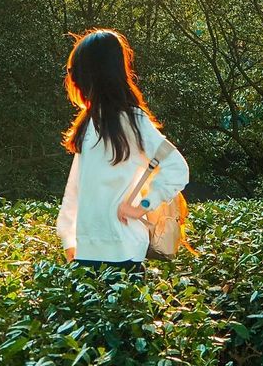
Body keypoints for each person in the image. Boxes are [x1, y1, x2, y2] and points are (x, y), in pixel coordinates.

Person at [55, 29, 190, 274]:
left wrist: (142, 206)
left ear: (94, 74)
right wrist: (69, 239)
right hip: (87, 254)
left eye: (76, 70)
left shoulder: (132, 121)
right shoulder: (89, 123)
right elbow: (75, 189)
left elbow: (177, 168)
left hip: (124, 252)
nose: (72, 78)